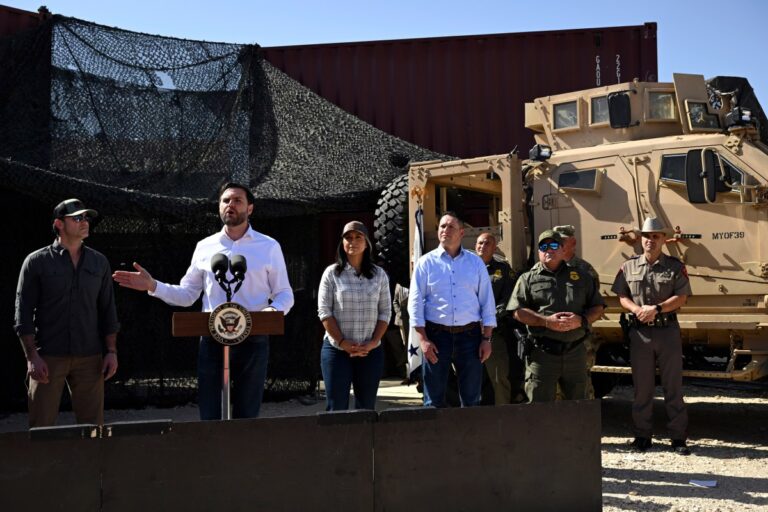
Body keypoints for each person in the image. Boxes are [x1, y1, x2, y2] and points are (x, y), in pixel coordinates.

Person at [113, 182, 293, 420]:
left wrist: (271, 312)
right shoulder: (205, 247)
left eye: (237, 200)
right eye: (225, 200)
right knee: (210, 413)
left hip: (253, 338)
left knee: (247, 414)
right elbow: (188, 294)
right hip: (212, 338)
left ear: (250, 208)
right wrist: (153, 286)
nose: (230, 205)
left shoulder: (269, 246)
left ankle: (242, 455)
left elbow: (284, 294)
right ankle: (213, 456)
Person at [14, 198, 119, 427]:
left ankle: (89, 465)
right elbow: (22, 313)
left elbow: (108, 309)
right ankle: (43, 465)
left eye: (86, 218)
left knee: (93, 429)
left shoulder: (99, 262)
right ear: (59, 224)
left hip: (90, 356)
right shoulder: (36, 262)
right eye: (77, 218)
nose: (85, 222)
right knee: (41, 427)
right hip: (48, 357)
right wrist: (32, 356)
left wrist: (111, 351)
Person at [611, 217, 691, 455]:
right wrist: (636, 310)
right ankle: (642, 437)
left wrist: (656, 309)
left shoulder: (675, 267)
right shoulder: (629, 266)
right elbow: (622, 295)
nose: (650, 241)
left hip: (667, 331)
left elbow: (682, 297)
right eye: (646, 236)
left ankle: (678, 438)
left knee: (673, 387)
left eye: (656, 236)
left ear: (664, 240)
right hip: (640, 333)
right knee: (642, 388)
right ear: (641, 239)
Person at [408, 212, 495, 407]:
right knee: (433, 399)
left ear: (462, 232)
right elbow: (414, 304)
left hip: (470, 338)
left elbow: (487, 303)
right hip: (436, 337)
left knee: (472, 399)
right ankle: (436, 438)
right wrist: (422, 339)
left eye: (450, 227)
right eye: (442, 226)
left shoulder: (475, 263)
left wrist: (487, 339)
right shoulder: (425, 263)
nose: (445, 230)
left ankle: (469, 437)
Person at [507, 229, 605, 403]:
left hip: (575, 354)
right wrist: (546, 322)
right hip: (542, 355)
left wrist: (581, 320)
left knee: (579, 409)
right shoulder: (527, 279)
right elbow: (517, 311)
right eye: (543, 246)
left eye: (553, 245)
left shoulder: (582, 276)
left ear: (562, 250)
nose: (549, 250)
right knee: (540, 411)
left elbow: (597, 307)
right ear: (538, 252)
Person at [317, 221, 391, 410]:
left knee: (366, 408)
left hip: (370, 350)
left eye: (358, 237)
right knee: (336, 408)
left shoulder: (379, 275)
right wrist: (343, 342)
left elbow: (385, 312)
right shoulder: (331, 274)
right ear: (342, 243)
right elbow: (325, 312)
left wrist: (373, 342)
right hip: (337, 351)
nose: (353, 241)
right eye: (348, 237)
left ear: (367, 243)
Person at [554, 224, 601, 399]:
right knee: (555, 389)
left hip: (580, 339)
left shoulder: (585, 271)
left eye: (563, 241)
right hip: (553, 337)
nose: (558, 245)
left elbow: (595, 307)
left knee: (581, 385)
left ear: (573, 243)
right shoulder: (546, 268)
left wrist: (579, 322)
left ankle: (585, 424)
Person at [474, 232, 520, 405]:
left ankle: (503, 415)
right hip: (468, 332)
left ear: (494, 248)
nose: (482, 247)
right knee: (471, 378)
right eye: (479, 243)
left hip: (493, 333)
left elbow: (507, 300)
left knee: (499, 377)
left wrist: (486, 321)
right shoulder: (465, 268)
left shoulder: (504, 270)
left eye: (487, 243)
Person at [392, 283, 411, 382]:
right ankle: (407, 374)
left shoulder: (415, 283)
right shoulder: (399, 286)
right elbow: (395, 301)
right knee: (406, 346)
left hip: (414, 320)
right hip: (402, 321)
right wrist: (399, 312)